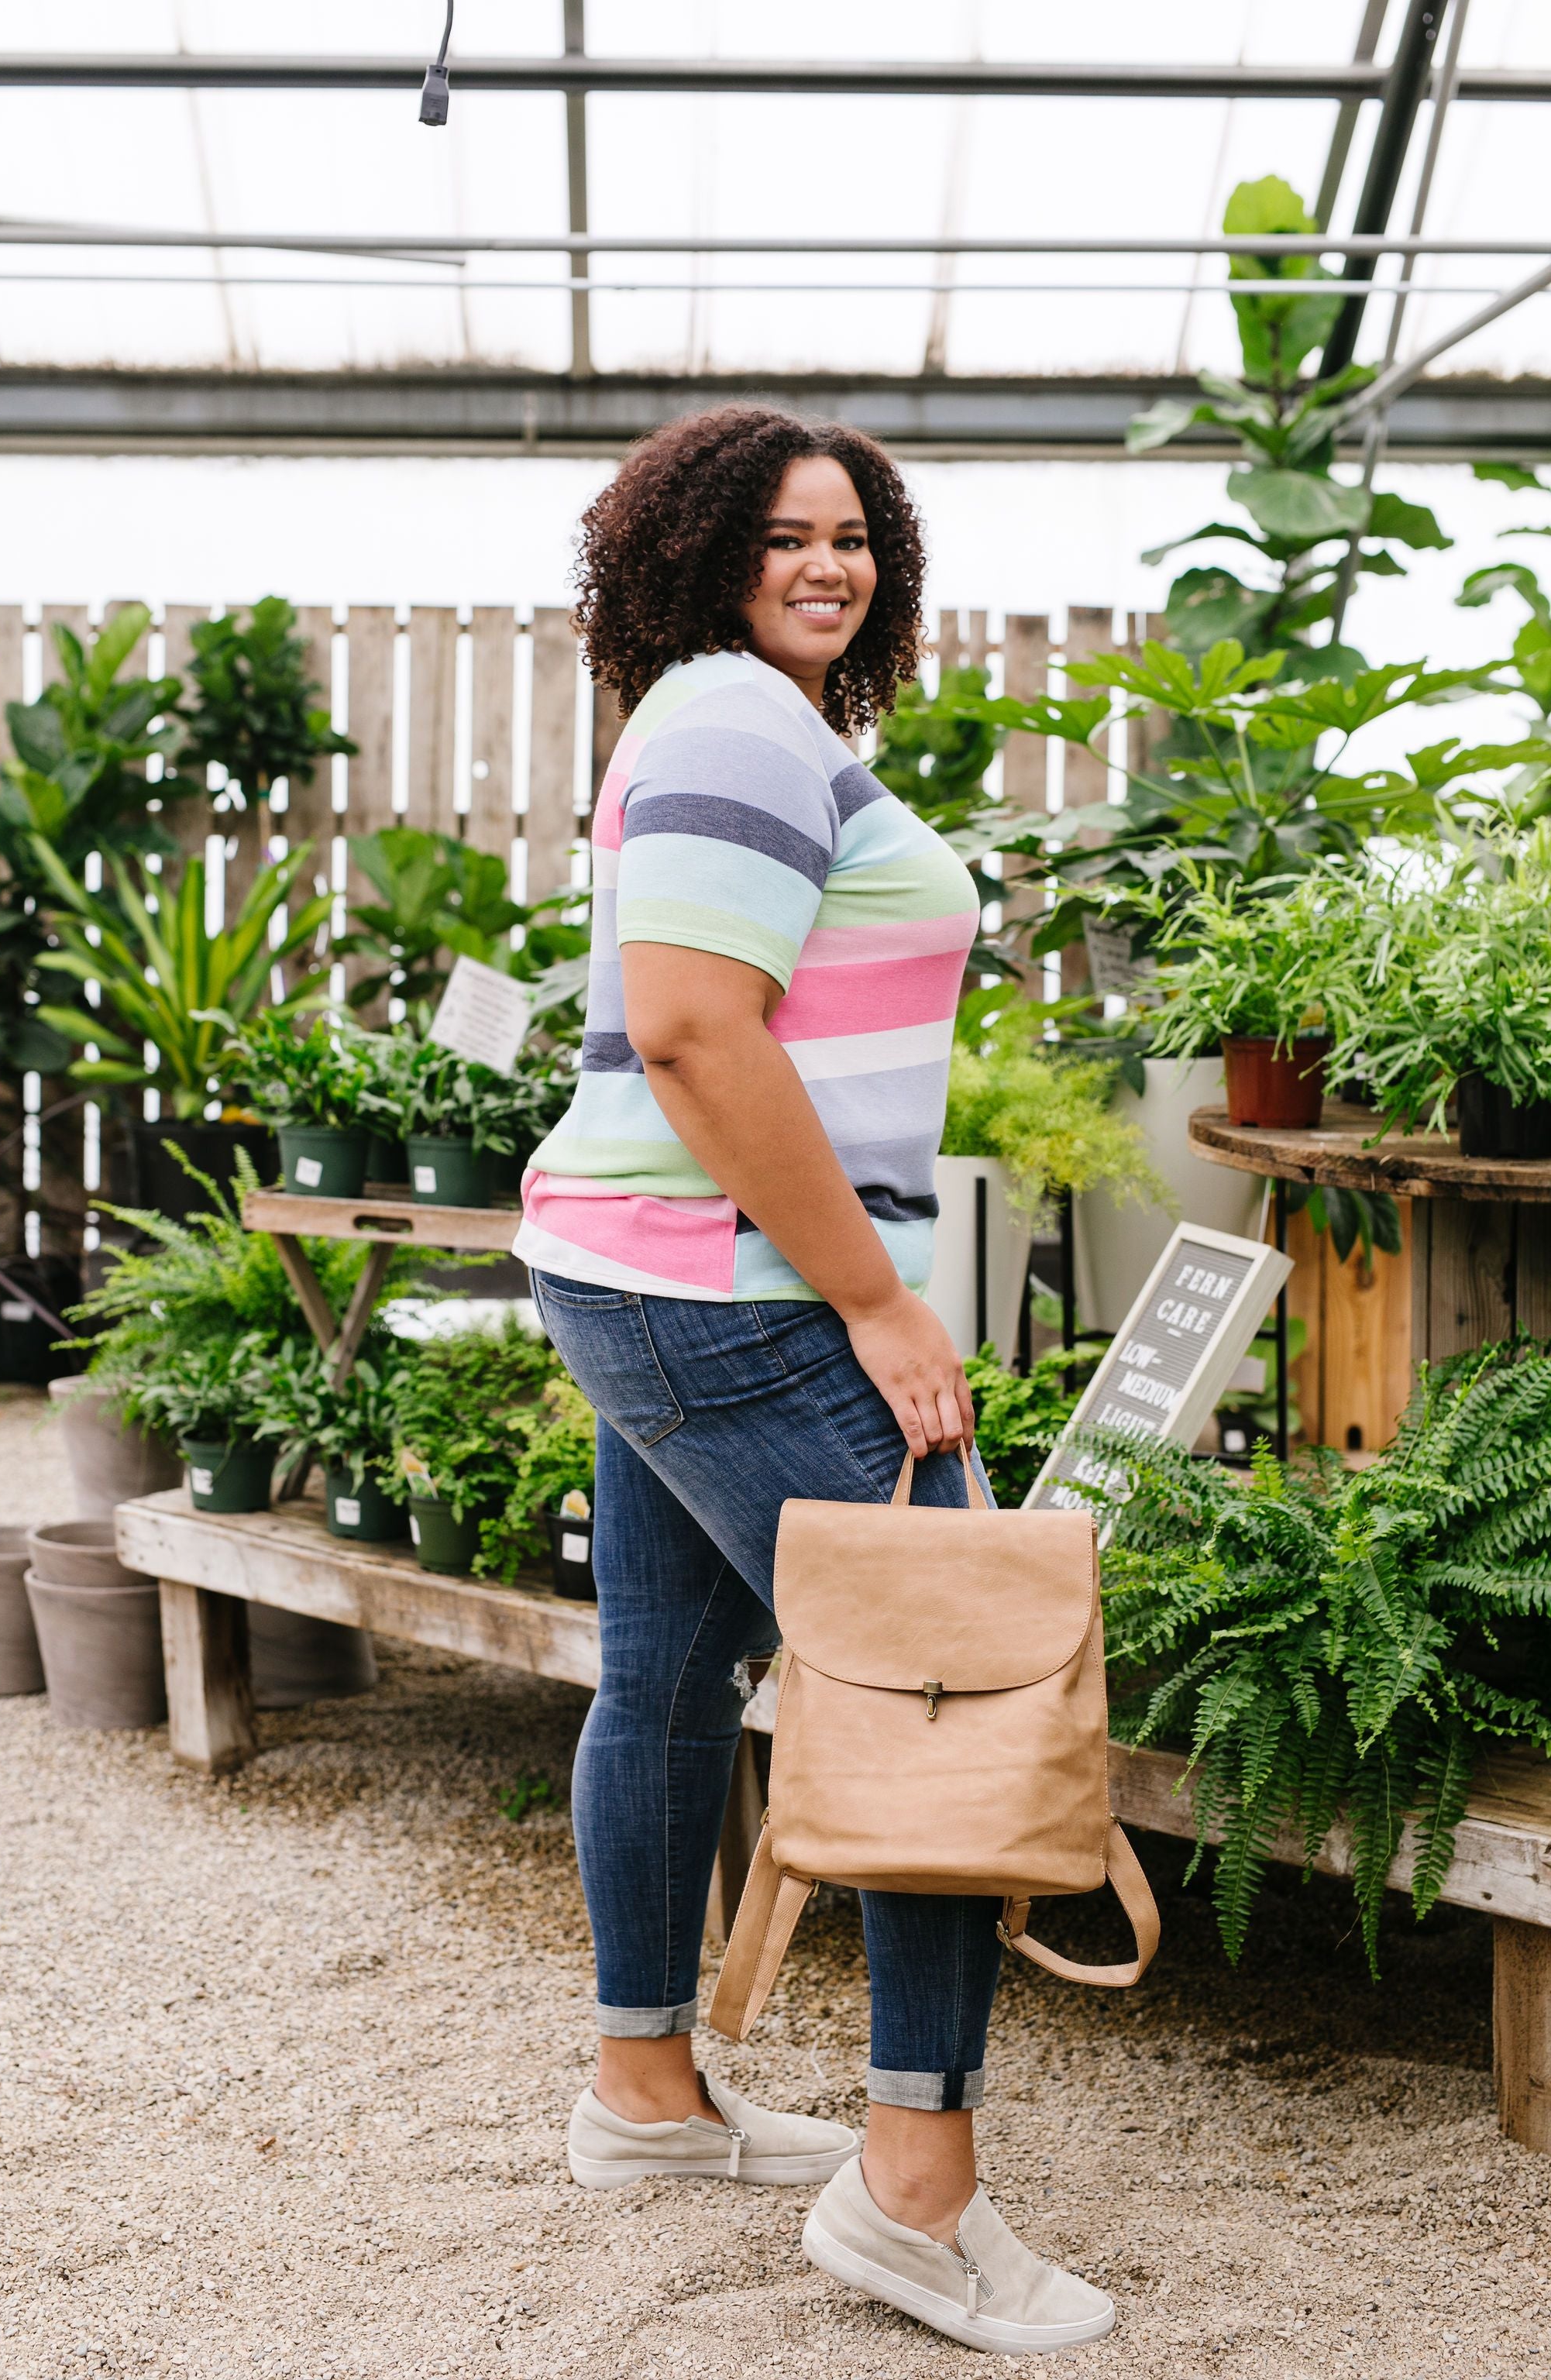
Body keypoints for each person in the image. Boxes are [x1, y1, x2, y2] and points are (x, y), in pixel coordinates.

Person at [514, 404, 1113, 2357]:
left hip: (663, 1275)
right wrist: (876, 1300)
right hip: (741, 1293)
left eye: (849, 533)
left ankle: (646, 2094)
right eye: (780, 533)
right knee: (946, 1701)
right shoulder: (727, 722)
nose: (824, 562)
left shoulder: (746, 723)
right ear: (695, 551)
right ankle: (915, 2198)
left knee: (671, 1675)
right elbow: (695, 1034)